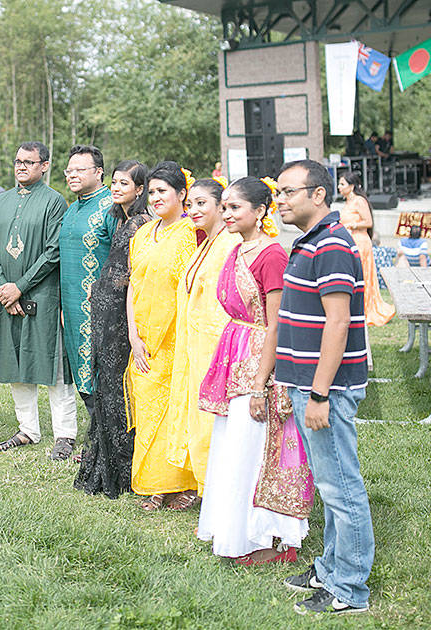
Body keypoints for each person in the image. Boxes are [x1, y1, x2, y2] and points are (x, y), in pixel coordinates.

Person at [273, 160, 373, 616]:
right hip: (307, 384)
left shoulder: (332, 244)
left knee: (340, 488)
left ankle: (349, 589)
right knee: (329, 483)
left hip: (324, 390)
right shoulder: (309, 241)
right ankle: (329, 567)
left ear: (318, 195)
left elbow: (339, 323)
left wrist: (318, 393)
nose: (281, 199)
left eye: (290, 191)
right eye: (278, 191)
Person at [197, 176, 308, 566]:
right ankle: (237, 532)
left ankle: (271, 538)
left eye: (234, 208)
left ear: (261, 212)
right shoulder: (236, 251)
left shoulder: (272, 255)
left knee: (258, 448)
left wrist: (261, 384)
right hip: (235, 355)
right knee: (234, 448)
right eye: (223, 207)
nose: (225, 214)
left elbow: (277, 323)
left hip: (262, 361)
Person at [0, 141, 75, 457]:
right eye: (18, 161)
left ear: (44, 165)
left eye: (29, 162)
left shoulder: (54, 203)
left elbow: (53, 251)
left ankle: (65, 435)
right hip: (8, 298)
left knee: (52, 366)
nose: (22, 166)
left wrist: (20, 286)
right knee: (15, 363)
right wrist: (5, 288)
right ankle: (28, 430)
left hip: (43, 296)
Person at [75, 160, 151, 499]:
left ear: (140, 188)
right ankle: (105, 461)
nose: (117, 188)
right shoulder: (119, 218)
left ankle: (123, 465)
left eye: (125, 183)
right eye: (115, 182)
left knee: (118, 387)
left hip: (121, 316)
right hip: (105, 312)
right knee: (104, 383)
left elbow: (135, 274)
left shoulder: (141, 223)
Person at [127, 161, 200, 511]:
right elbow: (132, 286)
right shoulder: (143, 233)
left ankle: (181, 483)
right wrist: (133, 335)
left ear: (182, 194)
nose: (154, 198)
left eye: (162, 191)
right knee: (148, 412)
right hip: (143, 339)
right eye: (151, 192)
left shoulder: (191, 235)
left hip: (176, 340)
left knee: (175, 411)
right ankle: (154, 484)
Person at [165, 176, 241, 501]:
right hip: (195, 346)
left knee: (214, 425)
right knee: (199, 421)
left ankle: (220, 496)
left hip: (216, 348)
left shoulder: (229, 244)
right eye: (190, 204)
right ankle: (207, 491)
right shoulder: (207, 242)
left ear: (221, 206)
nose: (193, 210)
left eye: (201, 203)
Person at [58, 145, 118, 460]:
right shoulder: (71, 209)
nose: (73, 175)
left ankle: (106, 442)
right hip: (71, 308)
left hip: (102, 309)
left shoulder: (111, 208)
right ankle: (98, 438)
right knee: (82, 374)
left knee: (101, 373)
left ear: (98, 172)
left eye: (80, 169)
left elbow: (124, 258)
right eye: (70, 170)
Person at [337, 172, 394, 326]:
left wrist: (352, 225)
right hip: (350, 241)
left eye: (342, 184)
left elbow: (368, 222)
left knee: (362, 274)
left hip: (360, 241)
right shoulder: (347, 203)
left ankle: (366, 308)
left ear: (351, 186)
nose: (339, 187)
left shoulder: (359, 201)